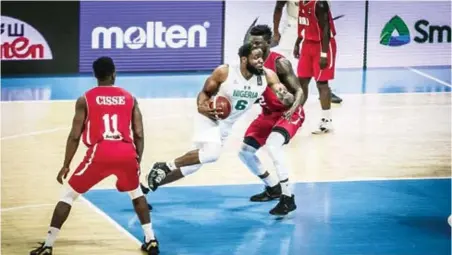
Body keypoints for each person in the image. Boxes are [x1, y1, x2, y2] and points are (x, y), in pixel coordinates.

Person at [29, 57, 159, 255]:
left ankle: (48, 245)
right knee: (136, 193)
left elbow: (75, 135)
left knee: (68, 196)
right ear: (114, 73)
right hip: (126, 152)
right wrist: (136, 161)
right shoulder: (130, 98)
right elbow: (139, 133)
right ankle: (151, 240)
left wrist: (66, 164)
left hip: (100, 153)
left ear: (95, 75)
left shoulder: (85, 99)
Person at [142, 43, 292, 196]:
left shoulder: (267, 75)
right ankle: (164, 166)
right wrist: (201, 106)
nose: (260, 61)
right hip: (210, 117)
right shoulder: (225, 72)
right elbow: (205, 93)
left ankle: (145, 186)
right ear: (244, 60)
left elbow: (283, 93)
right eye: (255, 58)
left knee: (192, 166)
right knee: (212, 154)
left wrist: (286, 97)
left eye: (261, 57)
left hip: (227, 124)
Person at [240, 24, 305, 215]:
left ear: (269, 43)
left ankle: (288, 197)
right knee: (245, 152)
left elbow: (299, 90)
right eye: (252, 42)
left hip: (289, 112)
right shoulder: (251, 62)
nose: (254, 46)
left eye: (258, 43)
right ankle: (273, 187)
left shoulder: (280, 63)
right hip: (267, 113)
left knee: (273, 146)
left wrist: (291, 109)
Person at [272, 0, 343, 105]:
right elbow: (279, 7)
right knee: (284, 63)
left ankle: (324, 91)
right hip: (294, 24)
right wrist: (276, 31)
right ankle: (277, 93)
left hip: (315, 24)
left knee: (317, 70)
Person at [294, 0, 338, 134]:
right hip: (308, 43)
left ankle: (327, 121)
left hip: (323, 45)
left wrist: (324, 54)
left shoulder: (320, 3)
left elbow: (326, 29)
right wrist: (297, 42)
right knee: (301, 81)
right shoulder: (301, 2)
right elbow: (304, 25)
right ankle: (295, 115)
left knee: (322, 83)